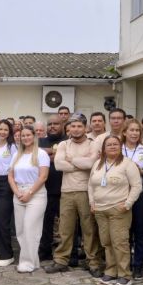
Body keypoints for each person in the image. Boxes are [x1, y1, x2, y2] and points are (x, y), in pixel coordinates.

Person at [46, 117, 102, 275]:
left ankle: (93, 262)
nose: (76, 129)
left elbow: (91, 164)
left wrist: (71, 160)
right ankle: (61, 260)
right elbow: (58, 164)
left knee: (89, 229)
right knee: (65, 228)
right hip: (67, 191)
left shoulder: (93, 144)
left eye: (79, 126)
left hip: (86, 191)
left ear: (85, 128)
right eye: (73, 126)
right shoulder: (64, 144)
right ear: (68, 129)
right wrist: (80, 163)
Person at [89, 135, 142, 285]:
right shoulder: (98, 164)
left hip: (119, 209)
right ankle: (111, 271)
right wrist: (92, 202)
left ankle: (124, 274)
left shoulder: (127, 164)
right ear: (104, 149)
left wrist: (128, 204)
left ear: (120, 147)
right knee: (106, 242)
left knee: (119, 242)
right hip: (100, 209)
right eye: (109, 145)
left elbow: (137, 186)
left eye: (115, 144)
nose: (112, 147)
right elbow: (90, 185)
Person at [9, 126, 50, 273]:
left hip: (36, 194)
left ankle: (27, 263)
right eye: (22, 136)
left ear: (34, 136)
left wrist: (30, 193)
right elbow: (10, 176)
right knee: (20, 230)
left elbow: (43, 176)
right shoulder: (16, 155)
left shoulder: (41, 154)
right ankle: (33, 261)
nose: (25, 138)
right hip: (19, 193)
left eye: (28, 135)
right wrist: (16, 191)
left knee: (30, 229)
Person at [121, 119, 143, 279]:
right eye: (131, 130)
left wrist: (142, 171)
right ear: (124, 132)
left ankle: (138, 265)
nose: (134, 133)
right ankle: (124, 264)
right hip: (120, 195)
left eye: (137, 131)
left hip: (140, 196)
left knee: (140, 231)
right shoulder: (118, 149)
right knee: (123, 232)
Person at [0, 120, 18, 267]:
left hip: (7, 183)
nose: (2, 132)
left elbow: (14, 167)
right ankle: (0, 253)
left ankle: (8, 255)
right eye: (0, 129)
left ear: (9, 132)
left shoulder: (12, 147)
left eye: (6, 130)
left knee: (2, 220)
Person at [38, 115, 66, 262]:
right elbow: (35, 158)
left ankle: (68, 255)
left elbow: (66, 157)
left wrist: (47, 153)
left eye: (56, 124)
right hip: (45, 190)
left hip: (65, 190)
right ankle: (45, 253)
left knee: (67, 226)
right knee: (45, 224)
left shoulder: (68, 141)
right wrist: (55, 154)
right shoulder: (39, 141)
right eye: (50, 124)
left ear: (62, 125)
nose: (52, 126)